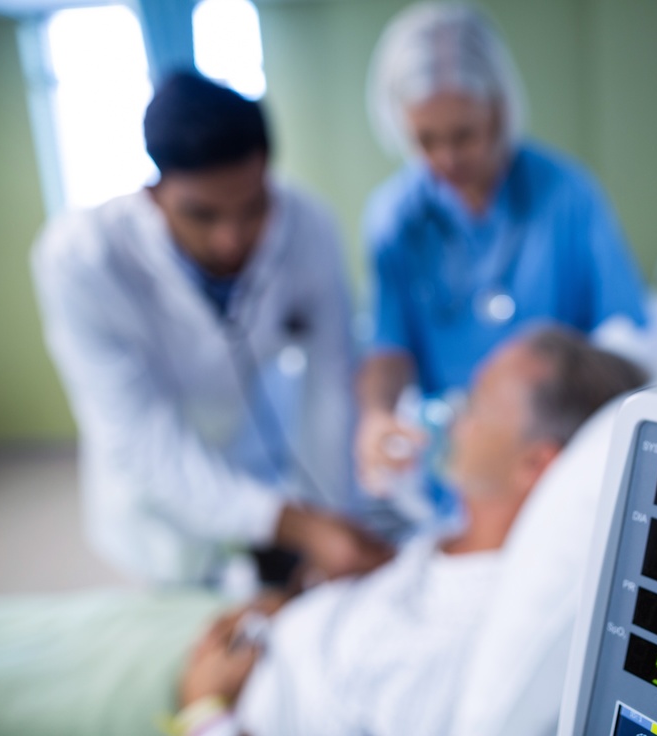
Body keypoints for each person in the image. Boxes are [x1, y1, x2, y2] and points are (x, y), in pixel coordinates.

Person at [172, 326, 648, 734]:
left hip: (216, 695)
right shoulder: (446, 541)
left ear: (534, 464)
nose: (452, 417)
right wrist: (290, 603)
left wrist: (204, 711)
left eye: (476, 407)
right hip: (246, 634)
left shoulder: (465, 641)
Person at [31, 71, 389, 588]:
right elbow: (141, 436)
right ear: (153, 194)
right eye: (202, 215)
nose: (231, 240)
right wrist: (299, 525)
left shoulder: (309, 225)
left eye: (252, 208)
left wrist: (330, 514)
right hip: (151, 498)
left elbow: (331, 384)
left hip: (257, 457)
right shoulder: (82, 260)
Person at [356, 2, 650, 497]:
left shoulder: (568, 196)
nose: (446, 159)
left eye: (463, 136)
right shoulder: (395, 220)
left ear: (499, 109)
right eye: (426, 140)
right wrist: (376, 416)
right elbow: (389, 347)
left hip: (556, 462)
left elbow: (625, 339)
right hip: (458, 468)